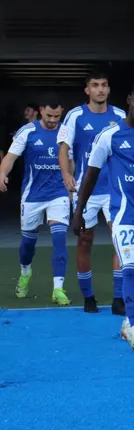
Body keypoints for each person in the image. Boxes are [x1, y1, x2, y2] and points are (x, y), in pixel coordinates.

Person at [72, 82, 134, 351]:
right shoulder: (110, 136)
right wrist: (78, 210)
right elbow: (91, 174)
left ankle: (128, 323)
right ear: (129, 99)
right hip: (123, 215)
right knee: (129, 267)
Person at [57, 72, 127, 314]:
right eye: (95, 85)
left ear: (109, 89)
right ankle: (88, 297)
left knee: (120, 240)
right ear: (87, 90)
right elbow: (63, 148)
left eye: (104, 85)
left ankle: (119, 298)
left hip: (114, 189)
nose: (100, 89)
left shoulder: (120, 116)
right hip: (86, 190)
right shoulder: (75, 116)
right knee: (84, 241)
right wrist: (66, 174)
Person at [0, 95, 72, 306]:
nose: (53, 120)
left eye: (57, 116)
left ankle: (58, 288)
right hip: (33, 195)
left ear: (62, 112)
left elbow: (71, 161)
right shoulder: (28, 131)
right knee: (27, 244)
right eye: (49, 115)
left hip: (58, 193)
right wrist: (2, 173)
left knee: (59, 238)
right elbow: (10, 157)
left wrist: (71, 180)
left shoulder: (66, 131)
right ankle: (25, 272)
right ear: (41, 110)